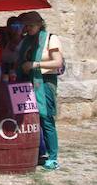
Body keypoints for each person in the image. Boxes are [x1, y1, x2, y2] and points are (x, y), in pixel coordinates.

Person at [16, 11, 64, 170]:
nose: (28, 28)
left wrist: (35, 65)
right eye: (26, 25)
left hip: (44, 82)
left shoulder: (51, 38)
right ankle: (34, 151)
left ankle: (53, 156)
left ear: (39, 24)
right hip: (28, 82)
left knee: (46, 118)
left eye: (31, 25)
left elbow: (57, 62)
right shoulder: (26, 41)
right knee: (30, 118)